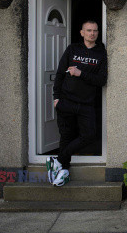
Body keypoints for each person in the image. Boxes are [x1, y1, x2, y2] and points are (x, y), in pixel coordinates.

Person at [46, 20, 107, 186]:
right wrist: (56, 98)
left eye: (95, 31)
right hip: (66, 101)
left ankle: (58, 160)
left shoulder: (101, 53)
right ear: (82, 32)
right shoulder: (72, 49)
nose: (92, 33)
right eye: (88, 30)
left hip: (87, 103)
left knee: (89, 135)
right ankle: (63, 171)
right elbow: (60, 73)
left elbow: (101, 80)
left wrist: (81, 73)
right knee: (66, 136)